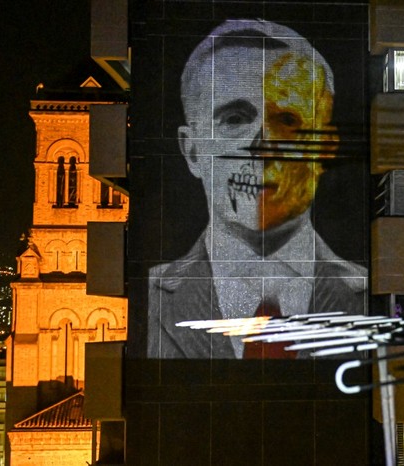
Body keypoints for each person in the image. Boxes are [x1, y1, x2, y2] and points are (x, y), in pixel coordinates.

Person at [148, 19, 367, 359]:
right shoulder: (149, 299)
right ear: (191, 150)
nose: (262, 147)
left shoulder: (371, 296)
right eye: (234, 119)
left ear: (325, 149)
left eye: (287, 120)